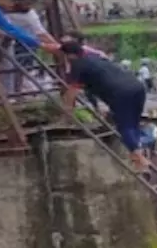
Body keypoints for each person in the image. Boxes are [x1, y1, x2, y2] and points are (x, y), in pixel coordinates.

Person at [59, 41, 149, 171]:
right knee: (133, 123)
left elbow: (72, 90)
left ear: (69, 55)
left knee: (124, 126)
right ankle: (137, 154)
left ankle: (140, 160)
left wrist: (67, 110)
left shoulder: (77, 65)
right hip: (137, 87)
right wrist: (97, 107)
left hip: (120, 92)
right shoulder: (95, 58)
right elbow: (90, 90)